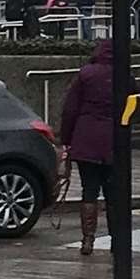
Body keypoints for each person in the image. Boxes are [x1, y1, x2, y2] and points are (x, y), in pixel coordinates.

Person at [58, 41, 117, 255]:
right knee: (114, 192)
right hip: (114, 141)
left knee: (89, 190)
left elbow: (70, 109)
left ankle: (88, 240)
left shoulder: (86, 74)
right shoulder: (123, 75)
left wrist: (66, 139)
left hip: (86, 139)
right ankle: (116, 240)